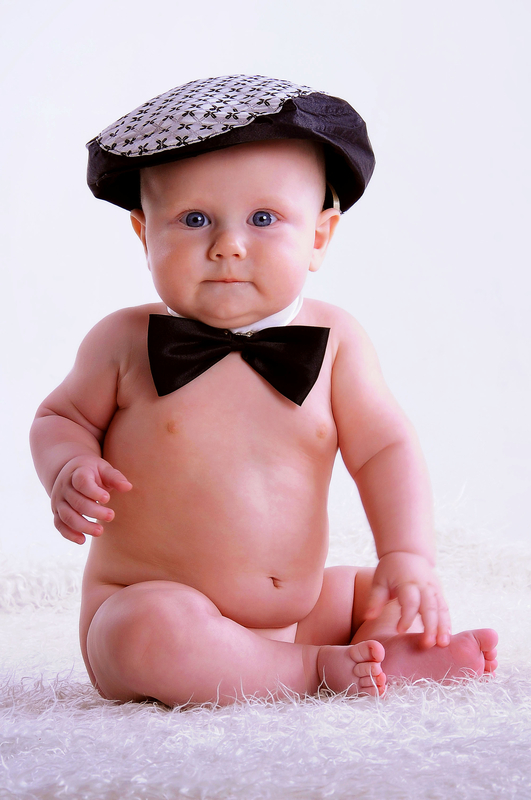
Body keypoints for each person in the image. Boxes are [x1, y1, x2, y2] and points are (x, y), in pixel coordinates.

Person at [30, 75, 497, 706]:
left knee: (381, 592)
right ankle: (313, 672)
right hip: (157, 612)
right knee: (146, 633)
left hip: (299, 612)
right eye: (194, 219)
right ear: (144, 234)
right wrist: (68, 466)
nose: (228, 246)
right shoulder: (122, 341)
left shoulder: (337, 341)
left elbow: (385, 448)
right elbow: (60, 417)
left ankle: (365, 649)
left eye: (264, 218)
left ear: (319, 237)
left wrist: (407, 554)